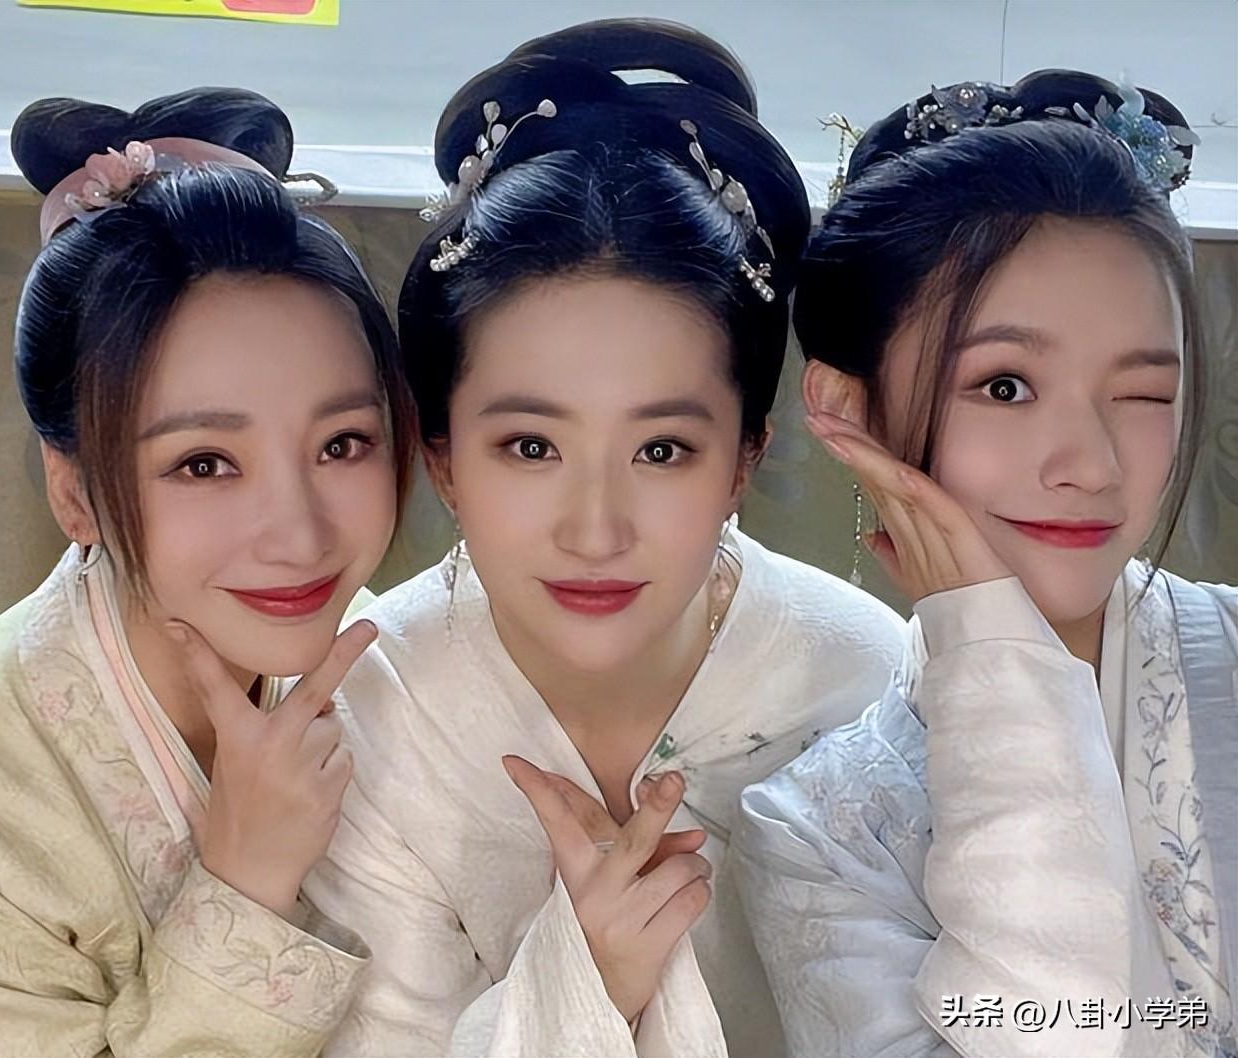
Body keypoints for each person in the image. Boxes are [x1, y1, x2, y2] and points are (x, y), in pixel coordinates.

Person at [301, 19, 905, 1058]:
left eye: (662, 450)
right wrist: (581, 983)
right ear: (443, 460)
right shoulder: (368, 705)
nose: (595, 529)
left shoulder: (865, 679)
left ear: (743, 459)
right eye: (530, 446)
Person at [736, 70, 1234, 1058]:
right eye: (1004, 385)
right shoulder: (824, 831)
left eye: (1142, 391)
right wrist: (992, 651)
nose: (1090, 464)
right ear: (848, 411)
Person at [0, 87, 416, 1057]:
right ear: (75, 492)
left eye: (342, 442)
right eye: (204, 463)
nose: (299, 536)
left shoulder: (408, 670)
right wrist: (245, 886)